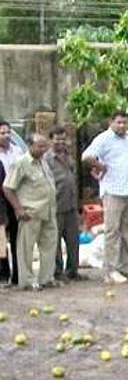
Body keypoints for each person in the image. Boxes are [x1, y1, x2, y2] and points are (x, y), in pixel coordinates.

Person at [81, 110, 128, 284]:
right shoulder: (104, 139)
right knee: (112, 230)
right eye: (119, 122)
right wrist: (100, 167)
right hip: (112, 190)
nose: (122, 126)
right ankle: (111, 270)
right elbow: (86, 156)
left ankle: (127, 267)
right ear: (111, 122)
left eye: (124, 122)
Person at [2, 133, 58, 290]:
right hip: (30, 212)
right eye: (40, 146)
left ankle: (46, 278)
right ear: (30, 146)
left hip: (48, 210)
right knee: (26, 247)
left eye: (44, 146)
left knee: (49, 245)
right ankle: (27, 280)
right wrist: (18, 209)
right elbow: (8, 187)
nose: (43, 149)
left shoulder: (43, 162)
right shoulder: (21, 163)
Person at [47, 126, 83, 281]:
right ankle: (58, 272)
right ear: (51, 140)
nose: (61, 142)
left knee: (73, 240)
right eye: (57, 139)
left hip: (71, 206)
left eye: (63, 139)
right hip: (56, 206)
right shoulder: (47, 159)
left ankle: (73, 270)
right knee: (55, 242)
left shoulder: (69, 157)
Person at [0, 120, 26, 284]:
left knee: (17, 237)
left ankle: (18, 275)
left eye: (8, 132)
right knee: (1, 238)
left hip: (17, 197)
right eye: (2, 133)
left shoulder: (18, 152)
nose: (6, 136)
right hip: (0, 200)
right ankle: (3, 274)